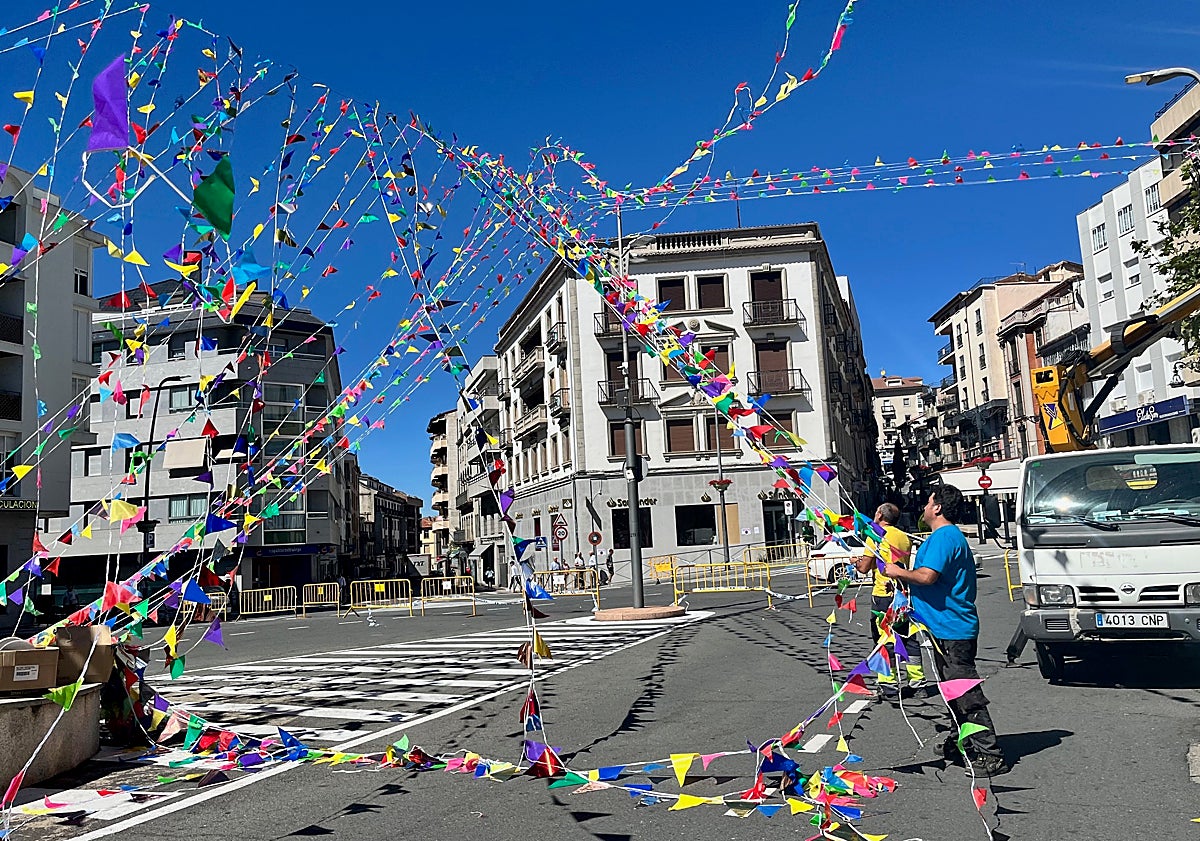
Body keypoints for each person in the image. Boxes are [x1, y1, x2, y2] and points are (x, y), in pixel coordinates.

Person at [882, 485, 1009, 776]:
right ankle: (959, 742)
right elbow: (932, 581)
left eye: (928, 502)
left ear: (937, 507)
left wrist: (898, 571)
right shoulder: (944, 537)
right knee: (951, 691)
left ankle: (991, 754)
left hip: (953, 627)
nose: (924, 507)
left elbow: (927, 576)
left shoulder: (944, 537)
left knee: (965, 693)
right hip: (944, 626)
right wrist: (903, 583)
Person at [854, 503, 925, 700]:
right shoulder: (903, 537)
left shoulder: (876, 535)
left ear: (879, 514)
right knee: (908, 638)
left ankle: (888, 685)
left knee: (884, 639)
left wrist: (856, 562)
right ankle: (917, 682)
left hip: (882, 595)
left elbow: (864, 568)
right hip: (902, 593)